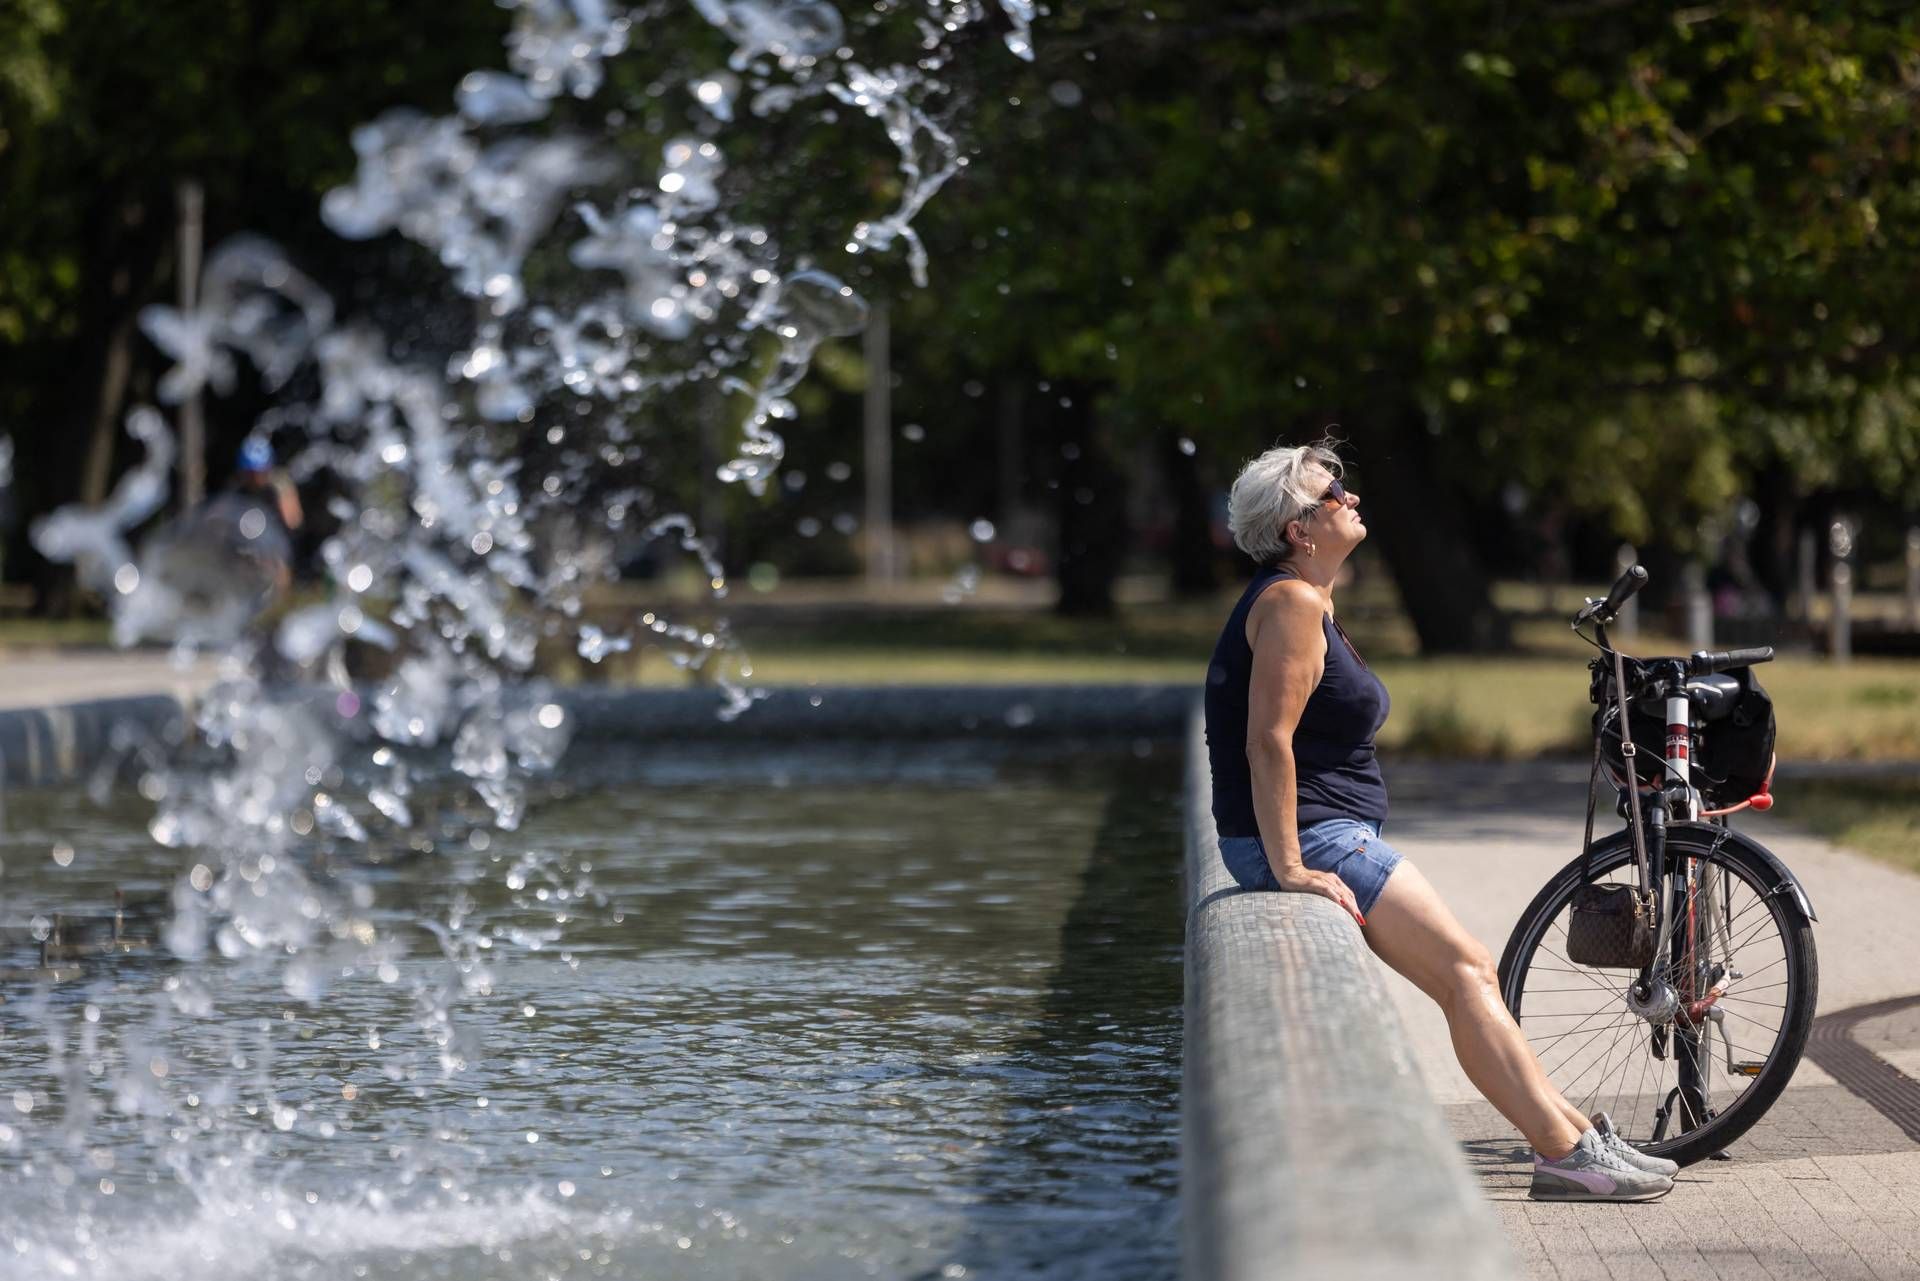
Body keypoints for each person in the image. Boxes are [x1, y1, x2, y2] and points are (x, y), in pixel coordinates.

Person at [1203, 439, 1681, 1203]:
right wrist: (1290, 864)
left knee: (1473, 971)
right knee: (1465, 971)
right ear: (1299, 527)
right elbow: (1268, 741)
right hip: (1316, 836)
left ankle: (1576, 1135)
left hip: (1331, 830)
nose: (1352, 500)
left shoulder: (1306, 597)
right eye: (1336, 494)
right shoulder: (1289, 604)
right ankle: (1565, 1154)